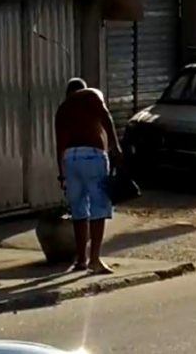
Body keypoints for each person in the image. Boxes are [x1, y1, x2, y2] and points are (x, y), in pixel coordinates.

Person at [54, 78, 121, 274]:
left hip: (70, 160)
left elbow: (59, 145)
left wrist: (62, 175)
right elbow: (106, 116)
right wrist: (115, 146)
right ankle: (95, 259)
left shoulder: (63, 109)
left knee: (79, 209)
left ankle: (81, 259)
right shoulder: (92, 95)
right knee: (99, 207)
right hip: (93, 156)